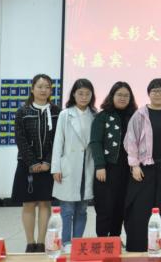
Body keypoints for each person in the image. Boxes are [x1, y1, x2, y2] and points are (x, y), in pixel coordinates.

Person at [123, 78, 161, 252]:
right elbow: (130, 141)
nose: (157, 94)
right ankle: (138, 245)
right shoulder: (140, 114)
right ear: (148, 93)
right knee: (140, 208)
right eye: (154, 90)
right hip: (144, 169)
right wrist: (134, 165)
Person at [12, 74, 60, 253]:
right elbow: (20, 139)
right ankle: (30, 243)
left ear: (51, 90)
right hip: (26, 165)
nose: (43, 90)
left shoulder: (57, 111)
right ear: (32, 89)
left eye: (47, 87)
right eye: (39, 86)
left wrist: (47, 161)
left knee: (45, 203)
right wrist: (32, 162)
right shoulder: (22, 111)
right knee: (29, 204)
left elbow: (58, 140)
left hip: (49, 165)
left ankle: (41, 243)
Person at [51, 78, 97, 253]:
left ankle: (77, 242)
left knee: (82, 209)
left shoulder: (95, 115)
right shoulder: (65, 114)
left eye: (87, 94)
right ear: (74, 95)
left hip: (87, 166)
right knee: (67, 209)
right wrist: (56, 167)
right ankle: (66, 242)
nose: (84, 97)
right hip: (69, 166)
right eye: (80, 93)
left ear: (92, 96)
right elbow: (58, 142)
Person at [89, 81, 138, 238]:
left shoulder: (135, 117)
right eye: (119, 95)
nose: (123, 98)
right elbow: (95, 142)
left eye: (126, 96)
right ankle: (102, 241)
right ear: (112, 96)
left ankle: (115, 240)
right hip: (107, 169)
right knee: (104, 208)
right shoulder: (102, 116)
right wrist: (100, 165)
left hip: (128, 171)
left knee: (121, 208)